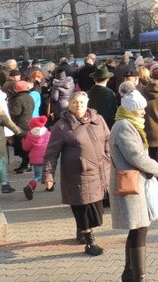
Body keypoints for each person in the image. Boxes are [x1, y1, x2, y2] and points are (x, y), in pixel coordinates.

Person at [43, 91, 111, 255]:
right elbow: (51, 153)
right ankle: (89, 241)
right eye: (75, 102)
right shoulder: (61, 126)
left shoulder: (98, 119)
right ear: (70, 105)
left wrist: (110, 158)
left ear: (87, 103)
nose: (78, 105)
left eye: (81, 102)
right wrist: (49, 175)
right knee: (82, 208)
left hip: (100, 171)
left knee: (96, 210)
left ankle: (83, 230)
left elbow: (108, 140)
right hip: (78, 174)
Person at [109, 88, 158, 282]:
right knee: (139, 228)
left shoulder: (128, 124)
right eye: (140, 109)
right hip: (130, 184)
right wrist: (156, 168)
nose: (143, 112)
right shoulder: (124, 126)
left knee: (136, 229)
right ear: (131, 109)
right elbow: (135, 156)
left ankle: (129, 273)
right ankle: (139, 277)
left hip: (133, 182)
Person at [22, 115, 51, 199]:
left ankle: (31, 185)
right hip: (47, 156)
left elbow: (26, 148)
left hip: (35, 159)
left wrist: (23, 141)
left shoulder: (29, 135)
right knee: (48, 172)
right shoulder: (48, 133)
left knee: (38, 175)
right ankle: (49, 186)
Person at [9, 80, 35, 173]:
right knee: (27, 145)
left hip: (21, 125)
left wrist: (9, 109)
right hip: (29, 123)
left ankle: (25, 164)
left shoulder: (18, 99)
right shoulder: (30, 97)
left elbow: (16, 112)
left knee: (22, 146)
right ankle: (27, 164)